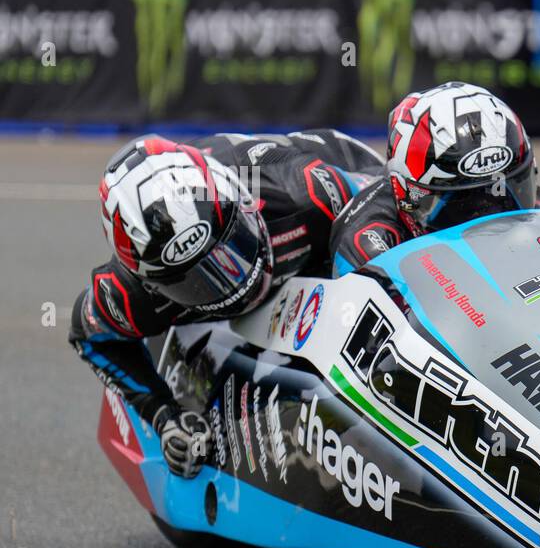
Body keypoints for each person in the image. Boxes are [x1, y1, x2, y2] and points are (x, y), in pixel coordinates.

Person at [69, 130, 383, 477]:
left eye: (234, 242)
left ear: (240, 200)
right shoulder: (128, 294)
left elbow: (387, 205)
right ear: (151, 281)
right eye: (192, 282)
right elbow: (88, 335)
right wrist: (164, 417)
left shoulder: (304, 191)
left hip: (349, 170)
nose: (230, 279)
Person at [330, 82, 540, 276]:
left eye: (505, 193)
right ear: (407, 194)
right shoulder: (369, 241)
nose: (491, 217)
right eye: (464, 203)